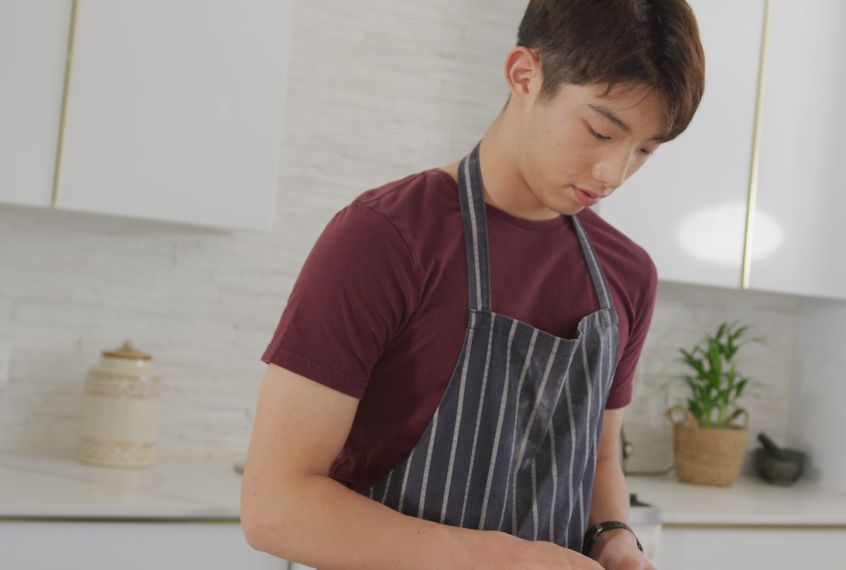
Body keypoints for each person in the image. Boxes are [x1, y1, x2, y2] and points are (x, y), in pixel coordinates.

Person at [241, 1, 704, 568]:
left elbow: (601, 461)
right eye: (601, 130)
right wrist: (498, 560)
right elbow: (274, 505)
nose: (614, 173)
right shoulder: (385, 239)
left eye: (645, 150)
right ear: (524, 75)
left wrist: (615, 537)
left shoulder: (627, 275)